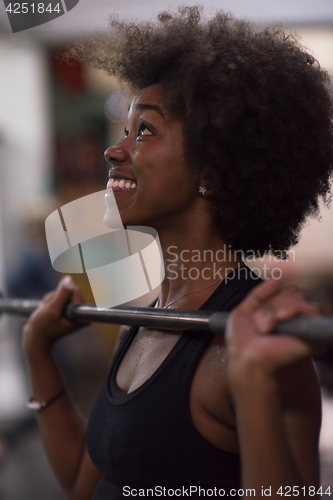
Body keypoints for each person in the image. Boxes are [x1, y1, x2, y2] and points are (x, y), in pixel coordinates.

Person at [22, 6, 333, 500]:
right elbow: (93, 486)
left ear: (212, 168)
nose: (114, 150)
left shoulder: (257, 347)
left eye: (144, 130)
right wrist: (39, 353)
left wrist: (252, 379)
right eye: (125, 130)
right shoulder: (148, 321)